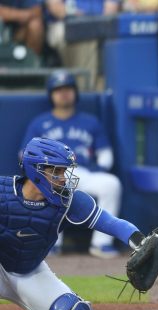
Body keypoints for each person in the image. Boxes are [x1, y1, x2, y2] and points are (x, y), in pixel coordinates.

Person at [0, 137, 152, 310]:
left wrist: (138, 240)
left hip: (27, 272)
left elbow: (109, 222)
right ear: (35, 170)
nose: (63, 178)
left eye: (64, 171)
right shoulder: (3, 191)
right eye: (56, 171)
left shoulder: (69, 201)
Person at [21, 70, 123, 259]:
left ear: (75, 92)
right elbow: (24, 155)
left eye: (68, 88)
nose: (64, 93)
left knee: (111, 184)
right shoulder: (40, 123)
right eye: (58, 89)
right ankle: (51, 244)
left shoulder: (90, 122)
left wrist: (96, 167)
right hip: (52, 174)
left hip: (84, 171)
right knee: (50, 185)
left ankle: (102, 244)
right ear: (51, 94)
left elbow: (106, 155)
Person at [45, 0, 120, 89]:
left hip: (99, 26)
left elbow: (110, 11)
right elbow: (55, 6)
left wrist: (92, 25)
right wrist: (76, 17)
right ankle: (85, 89)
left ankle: (92, 88)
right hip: (63, 23)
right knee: (84, 35)